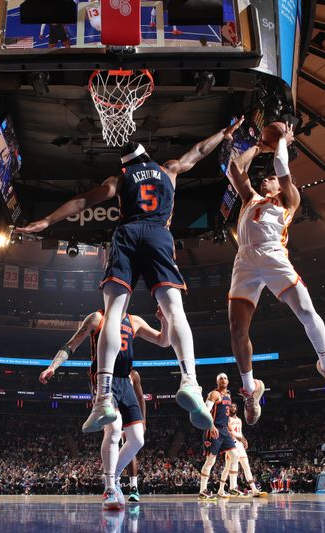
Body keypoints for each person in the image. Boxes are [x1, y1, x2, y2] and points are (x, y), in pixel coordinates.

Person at [18, 120, 245, 435]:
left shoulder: (120, 178)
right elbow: (199, 151)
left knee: (112, 313)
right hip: (158, 235)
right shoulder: (169, 169)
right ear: (146, 156)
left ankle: (102, 398)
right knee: (174, 309)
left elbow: (84, 201)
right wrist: (224, 133)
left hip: (127, 234)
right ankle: (190, 382)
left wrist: (47, 220)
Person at [226, 121, 325, 425]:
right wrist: (257, 147)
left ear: (279, 185)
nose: (266, 178)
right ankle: (250, 389)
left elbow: (280, 163)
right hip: (245, 260)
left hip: (273, 255)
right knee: (237, 330)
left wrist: (280, 142)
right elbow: (233, 167)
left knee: (306, 311)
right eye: (264, 177)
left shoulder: (289, 199)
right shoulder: (249, 198)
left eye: (271, 178)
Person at [39, 308, 169, 509]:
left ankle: (114, 478)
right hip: (103, 379)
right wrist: (52, 366)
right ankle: (109, 487)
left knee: (137, 439)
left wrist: (165, 321)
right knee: (114, 429)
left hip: (126, 381)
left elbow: (163, 340)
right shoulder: (97, 318)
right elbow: (71, 344)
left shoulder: (134, 320)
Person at [198, 374, 240, 501]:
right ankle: (202, 491)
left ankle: (233, 486)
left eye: (226, 378)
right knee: (211, 460)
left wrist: (230, 431)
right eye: (221, 378)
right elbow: (205, 411)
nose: (223, 380)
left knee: (235, 456)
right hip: (214, 429)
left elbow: (226, 416)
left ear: (228, 381)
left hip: (224, 430)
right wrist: (211, 426)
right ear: (217, 381)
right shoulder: (214, 394)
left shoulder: (228, 396)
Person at [218, 402, 263, 497]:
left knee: (246, 465)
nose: (233, 408)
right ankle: (221, 489)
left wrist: (244, 439)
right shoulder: (227, 419)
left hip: (239, 444)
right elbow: (229, 432)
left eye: (234, 406)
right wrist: (239, 438)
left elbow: (240, 432)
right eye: (231, 407)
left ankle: (254, 489)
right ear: (228, 409)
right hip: (231, 444)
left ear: (237, 409)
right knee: (227, 468)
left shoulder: (239, 420)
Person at [125, 369, 145, 503]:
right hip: (113, 411)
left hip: (129, 411)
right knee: (112, 446)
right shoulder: (108, 369)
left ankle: (134, 487)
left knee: (132, 448)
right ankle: (111, 484)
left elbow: (140, 398)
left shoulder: (133, 374)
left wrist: (143, 420)